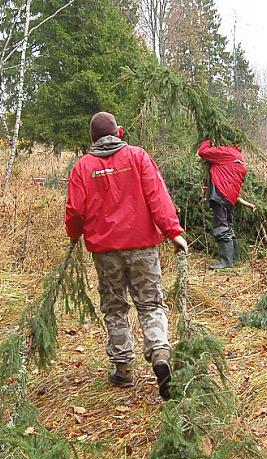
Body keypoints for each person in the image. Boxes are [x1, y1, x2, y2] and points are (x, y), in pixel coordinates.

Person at [65, 112, 188, 401]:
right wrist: (174, 232)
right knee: (150, 303)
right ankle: (159, 353)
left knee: (115, 307)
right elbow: (157, 195)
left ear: (92, 139)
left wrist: (74, 235)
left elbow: (75, 211)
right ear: (118, 132)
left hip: (105, 252)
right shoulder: (137, 156)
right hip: (142, 247)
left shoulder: (84, 166)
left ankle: (123, 370)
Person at [197, 139, 248, 269]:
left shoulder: (225, 152)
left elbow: (202, 152)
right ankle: (234, 258)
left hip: (221, 192)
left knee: (220, 225)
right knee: (228, 224)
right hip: (231, 196)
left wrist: (207, 140)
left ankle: (226, 262)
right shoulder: (238, 156)